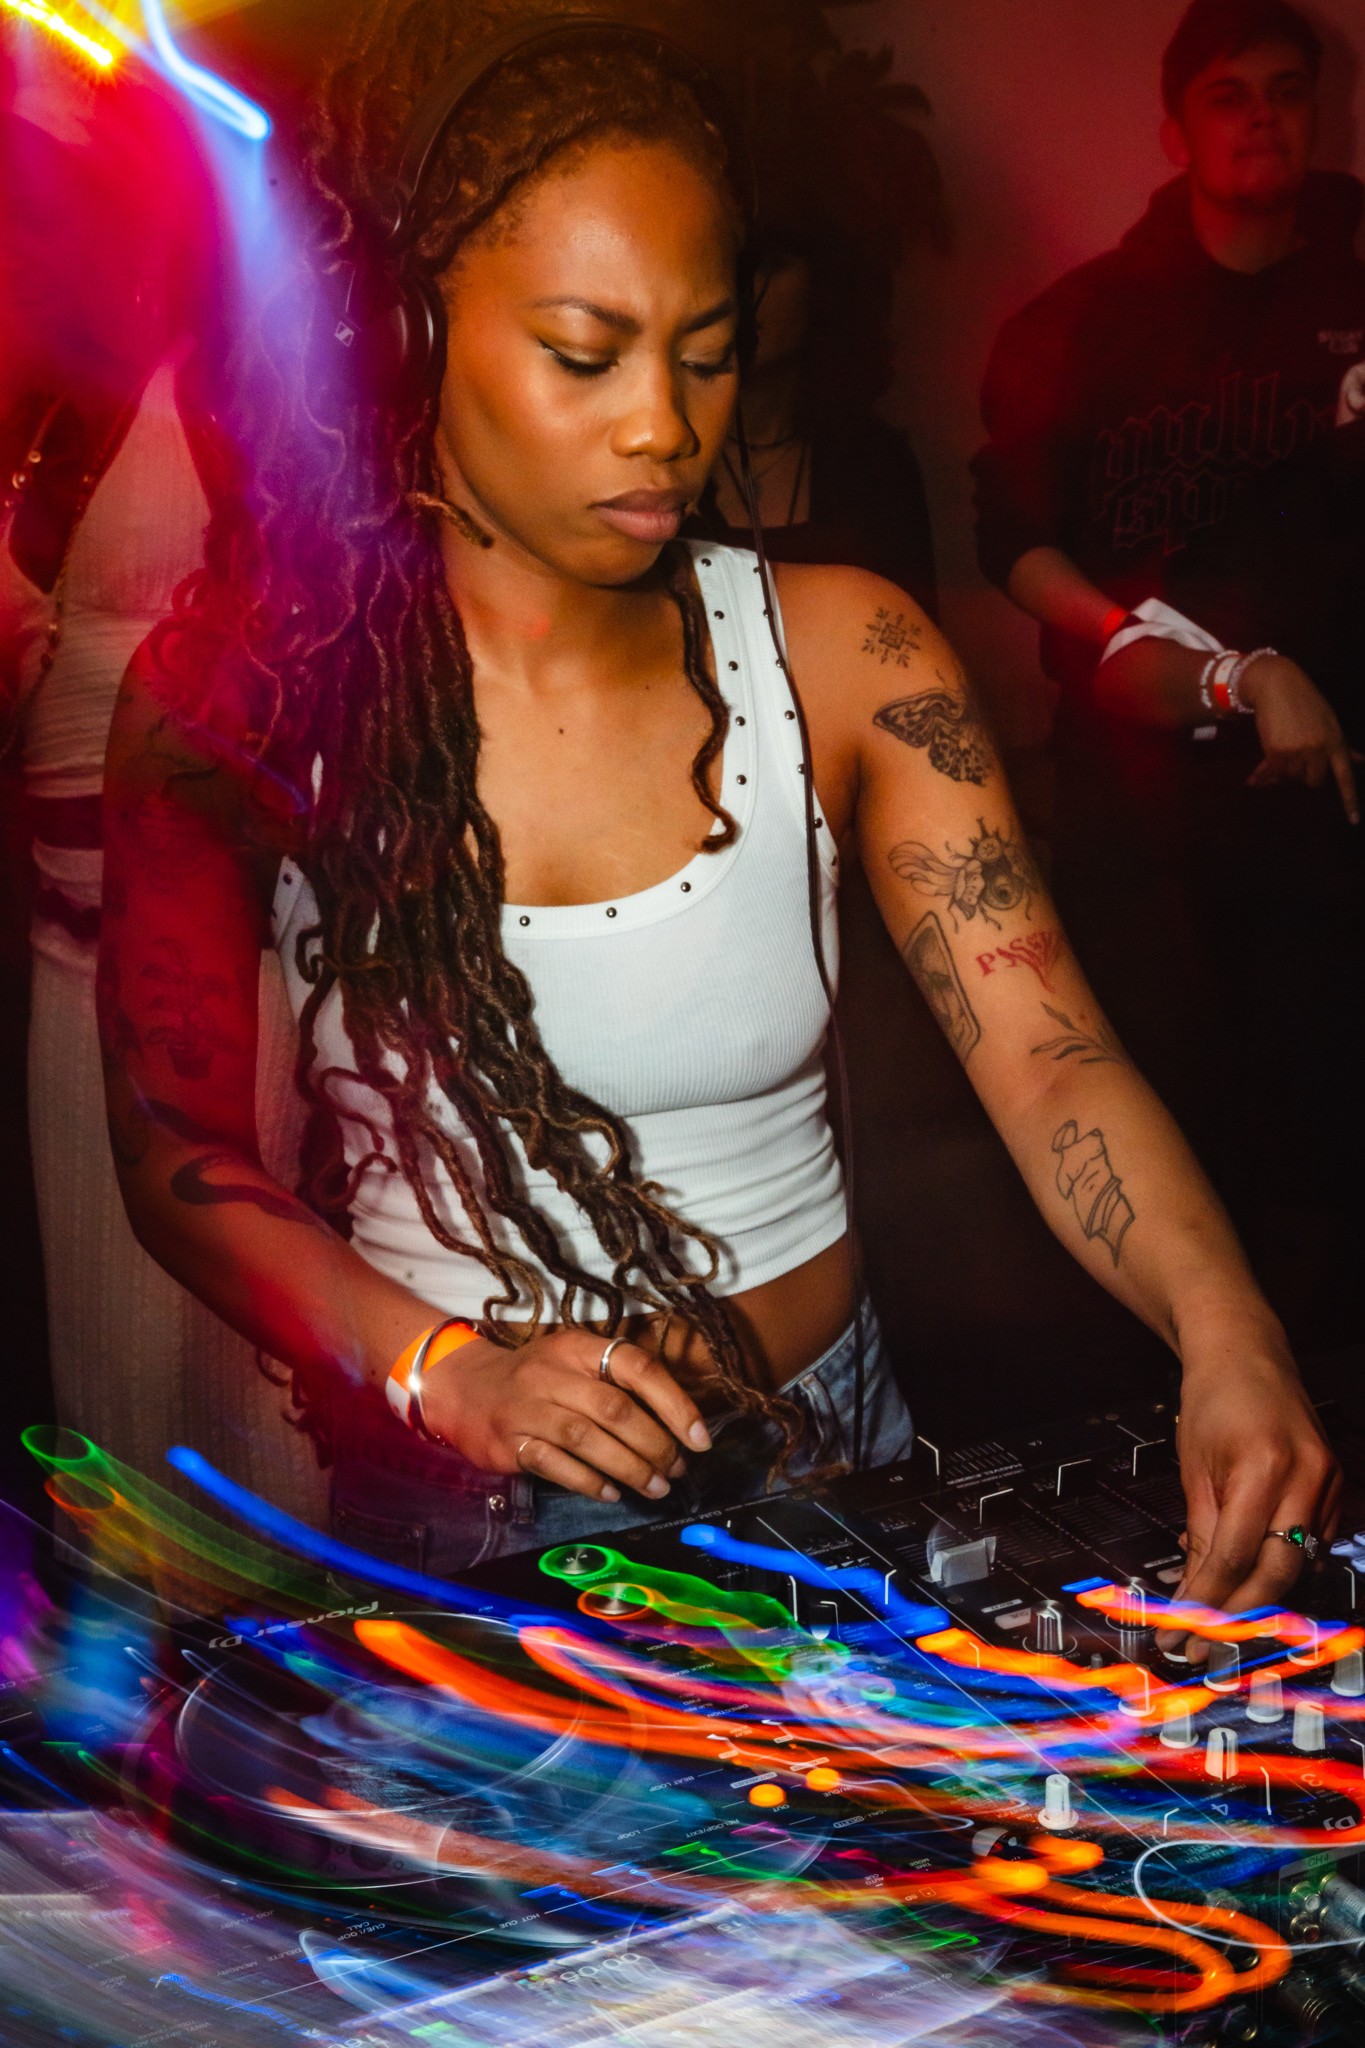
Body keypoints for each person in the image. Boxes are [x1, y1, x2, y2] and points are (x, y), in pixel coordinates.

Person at [99, 5, 1332, 1653]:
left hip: (830, 1473)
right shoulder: (244, 697)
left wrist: (1225, 1327)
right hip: (458, 1533)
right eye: (585, 353)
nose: (664, 428)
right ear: (407, 338)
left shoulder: (847, 654)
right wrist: (440, 1370)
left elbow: (1048, 1062)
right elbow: (174, 1157)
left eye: (703, 350)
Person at [973, 0, 1365, 1348]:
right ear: (1176, 128)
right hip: (1138, 809)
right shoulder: (1083, 320)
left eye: (1285, 92)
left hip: (1324, 805)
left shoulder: (1352, 295)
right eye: (1227, 96)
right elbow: (1014, 543)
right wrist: (1183, 661)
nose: (1261, 119)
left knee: (1318, 1132)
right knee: (1153, 1108)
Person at [0, 36, 326, 1522]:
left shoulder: (251, 372)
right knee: (118, 1390)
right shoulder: (65, 385)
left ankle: (300, 1655)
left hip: (215, 958)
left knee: (255, 1395)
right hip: (64, 950)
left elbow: (318, 644)